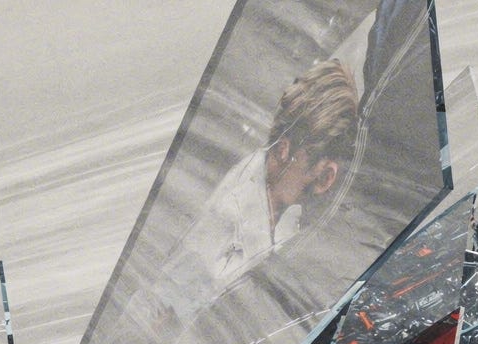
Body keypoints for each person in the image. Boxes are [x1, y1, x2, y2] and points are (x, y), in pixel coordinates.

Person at [140, 59, 360, 328]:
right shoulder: (230, 217)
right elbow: (164, 313)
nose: (326, 186)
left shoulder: (280, 202)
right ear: (283, 150)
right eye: (324, 173)